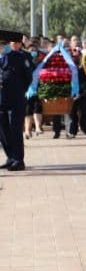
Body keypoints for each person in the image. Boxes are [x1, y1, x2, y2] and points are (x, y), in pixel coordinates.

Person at [0, 29, 35, 170]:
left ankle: (19, 160)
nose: (4, 46)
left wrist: (19, 90)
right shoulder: (3, 57)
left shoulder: (20, 57)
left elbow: (28, 77)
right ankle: (10, 156)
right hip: (1, 100)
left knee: (15, 129)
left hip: (15, 99)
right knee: (3, 130)